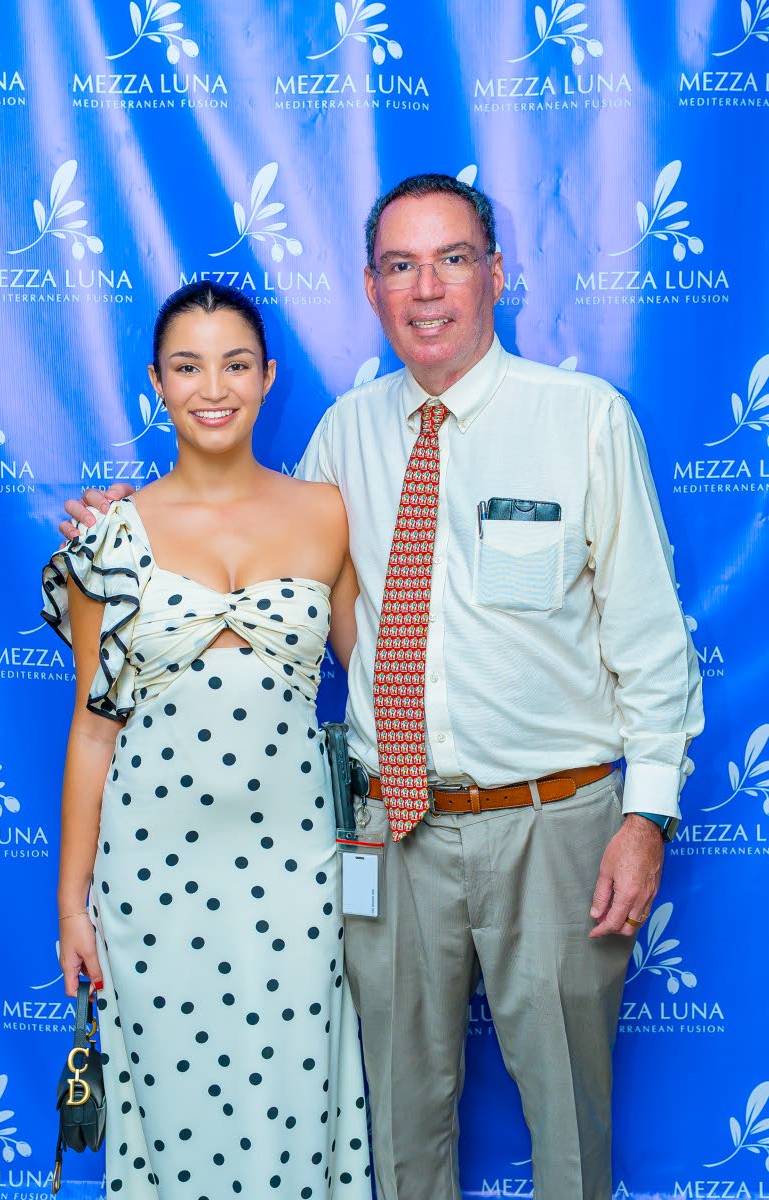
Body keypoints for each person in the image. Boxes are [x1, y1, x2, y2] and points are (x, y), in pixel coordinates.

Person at [61, 175, 704, 1200]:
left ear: (497, 274)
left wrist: (646, 816)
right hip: (385, 831)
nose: (426, 288)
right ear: (369, 288)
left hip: (552, 824)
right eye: (399, 265)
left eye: (451, 259)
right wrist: (127, 523)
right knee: (397, 1127)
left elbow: (649, 642)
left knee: (566, 1122)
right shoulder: (342, 440)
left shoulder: (579, 420)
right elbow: (243, 534)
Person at [45, 281, 371, 1199]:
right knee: (173, 1113)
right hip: (151, 873)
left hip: (299, 867)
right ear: (156, 382)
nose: (212, 387)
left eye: (234, 364)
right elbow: (91, 731)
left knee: (298, 1103)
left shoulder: (327, 513)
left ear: (268, 377)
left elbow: (379, 700)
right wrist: (73, 905)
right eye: (187, 367)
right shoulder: (108, 535)